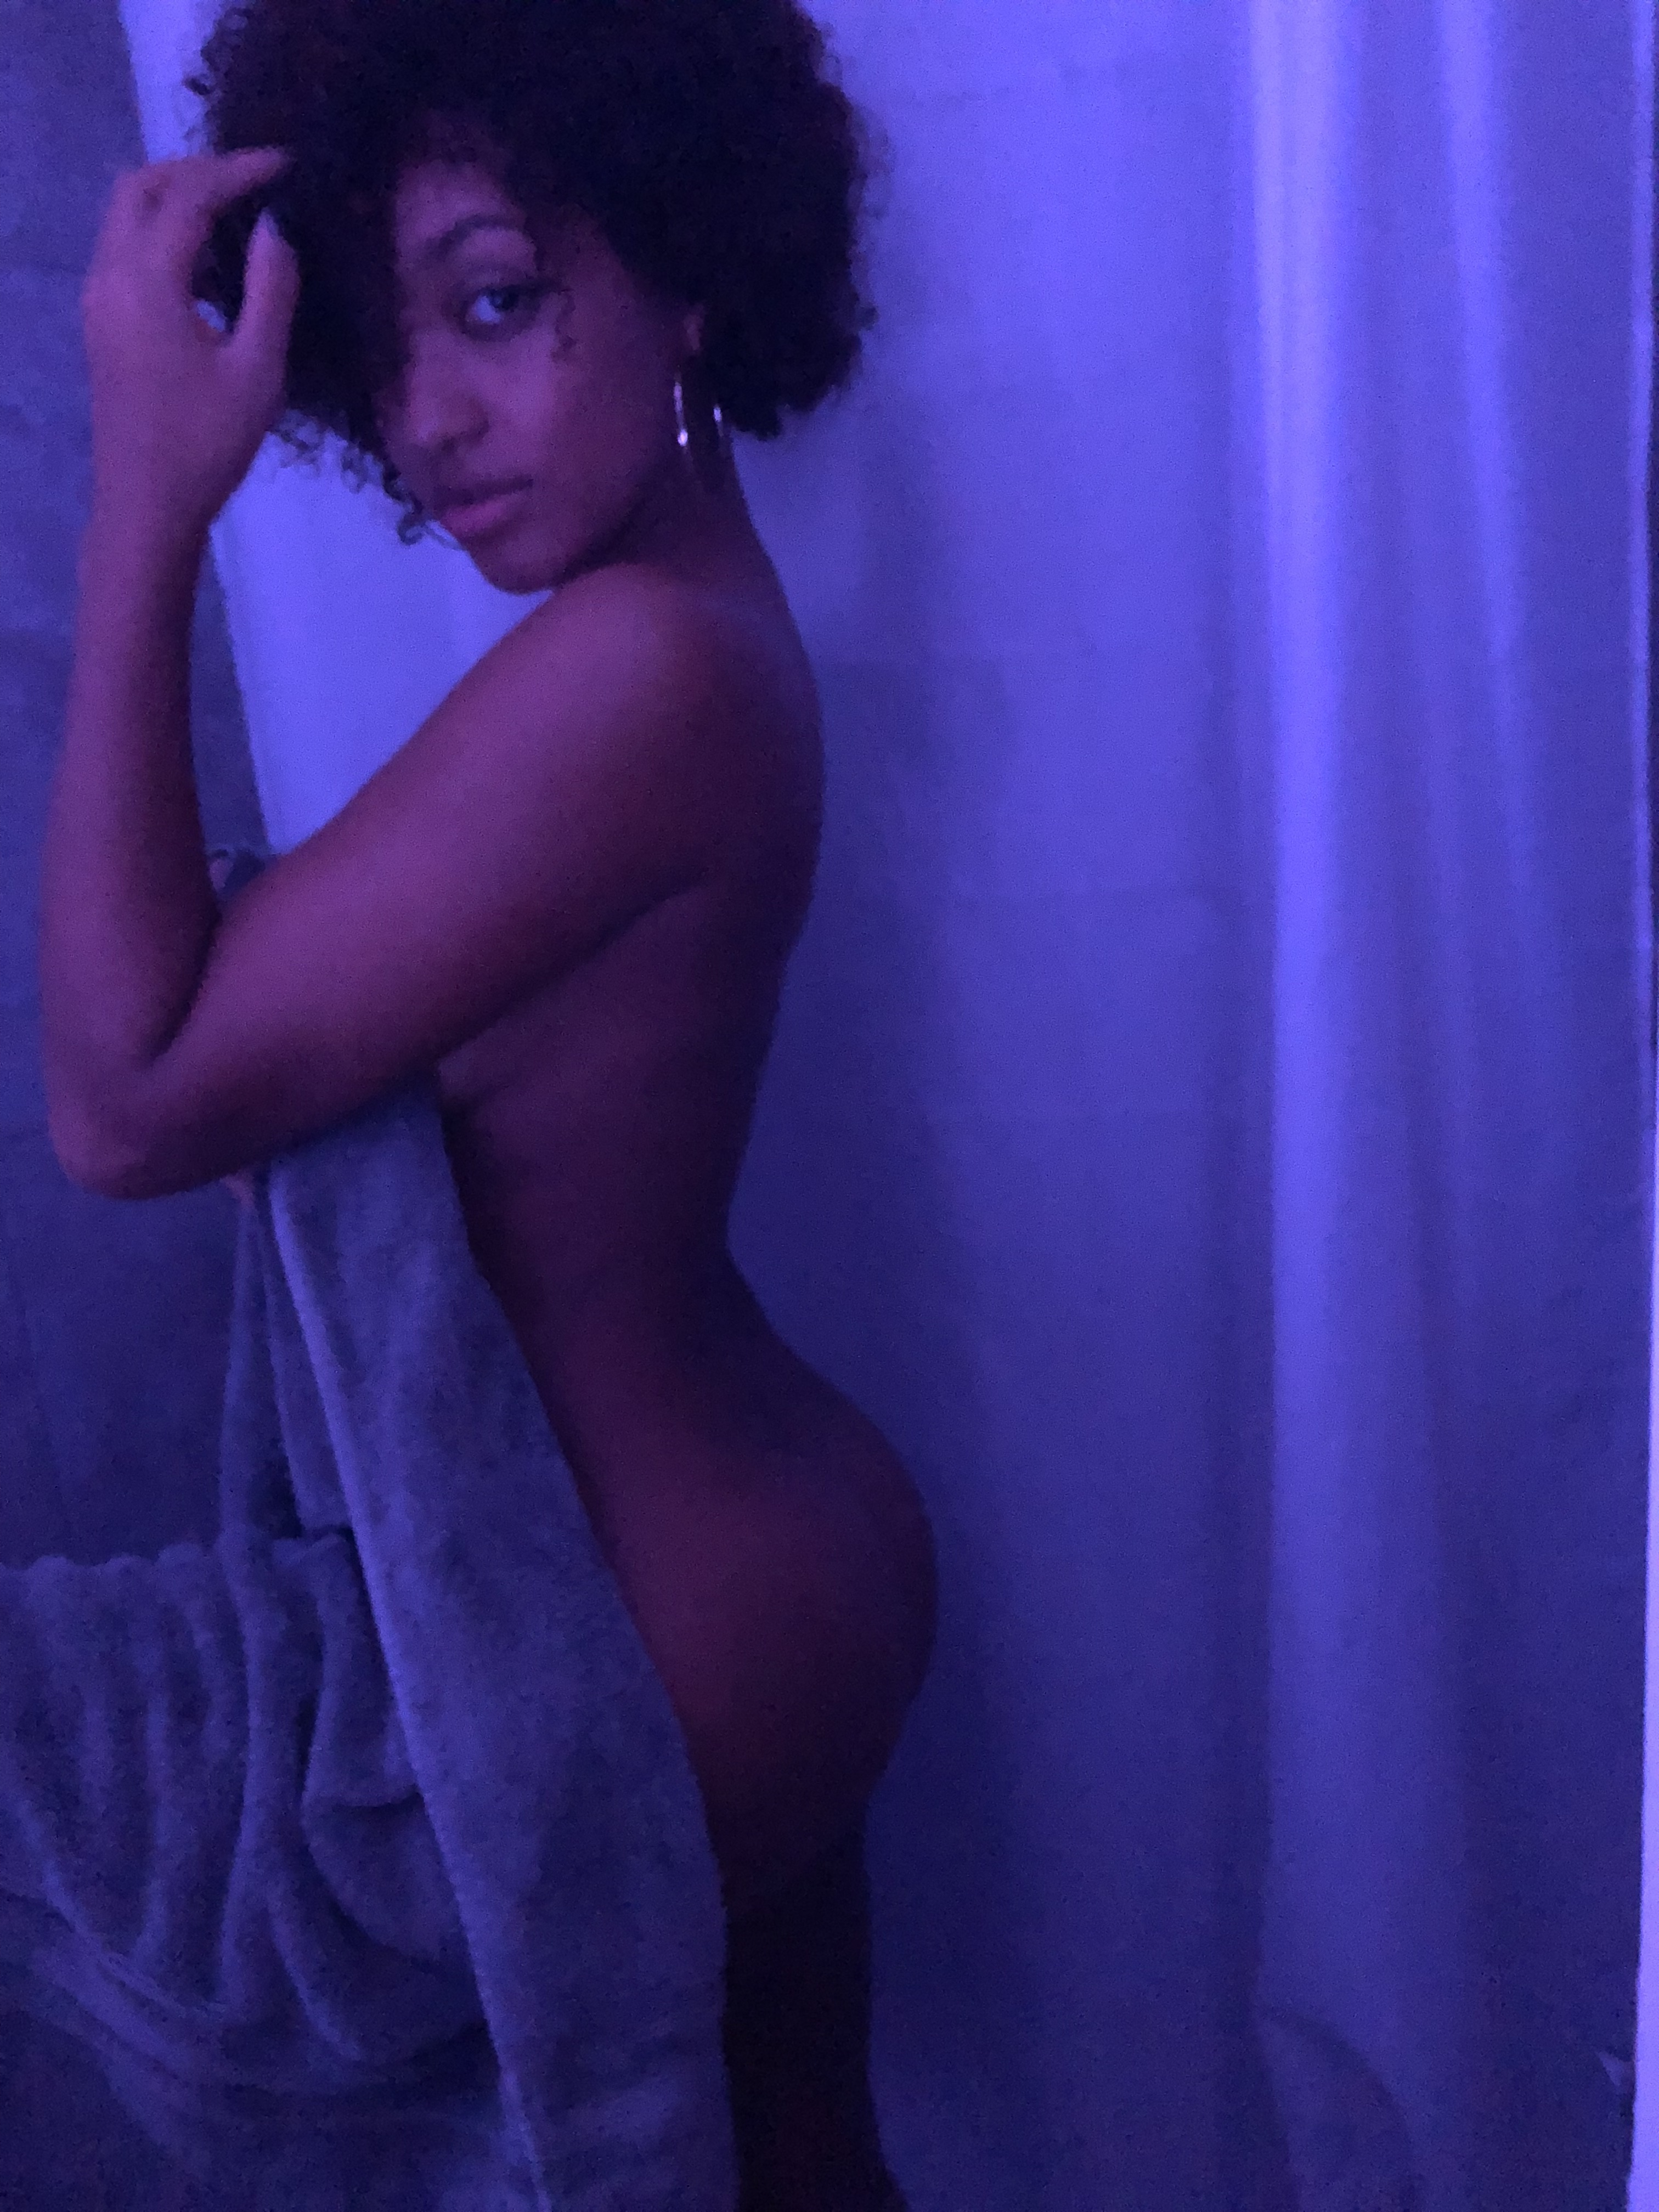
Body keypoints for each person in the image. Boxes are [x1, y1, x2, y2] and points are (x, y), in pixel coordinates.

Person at [38, 2, 939, 2206]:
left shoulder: (641, 670)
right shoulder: (690, 623)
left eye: (502, 300)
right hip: (761, 1564)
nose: (428, 416)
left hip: (655, 1639)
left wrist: (145, 499)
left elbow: (127, 1103)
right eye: (389, 337)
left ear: (688, 268)